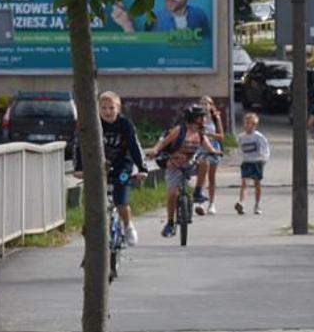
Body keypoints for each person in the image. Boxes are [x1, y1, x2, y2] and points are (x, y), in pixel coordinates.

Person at [72, 91, 148, 247]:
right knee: (92, 197)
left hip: (122, 164)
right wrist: (79, 168)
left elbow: (134, 146)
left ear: (118, 108)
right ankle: (90, 226)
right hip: (99, 164)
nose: (107, 112)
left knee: (120, 199)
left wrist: (142, 168)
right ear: (98, 109)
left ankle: (128, 225)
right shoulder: (93, 124)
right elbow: (79, 145)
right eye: (104, 108)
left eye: (111, 108)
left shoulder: (125, 124)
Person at [151, 105, 221, 240]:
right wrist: (155, 150)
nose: (204, 119)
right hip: (175, 165)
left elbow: (209, 148)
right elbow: (163, 142)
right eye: (202, 117)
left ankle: (198, 191)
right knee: (172, 193)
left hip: (190, 164)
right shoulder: (179, 130)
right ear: (195, 118)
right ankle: (170, 223)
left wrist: (215, 152)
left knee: (204, 162)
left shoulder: (201, 134)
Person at [193, 95, 225, 215]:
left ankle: (211, 203)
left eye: (206, 103)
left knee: (212, 176)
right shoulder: (196, 118)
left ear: (211, 106)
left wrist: (209, 134)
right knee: (201, 174)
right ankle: (200, 202)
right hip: (200, 148)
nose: (204, 106)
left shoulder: (215, 118)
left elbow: (221, 136)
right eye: (202, 103)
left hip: (213, 147)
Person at [234, 112, 269, 215]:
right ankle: (241, 203)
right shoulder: (241, 137)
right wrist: (240, 158)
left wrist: (264, 159)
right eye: (245, 123)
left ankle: (257, 204)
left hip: (257, 162)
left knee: (257, 183)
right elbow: (238, 148)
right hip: (246, 162)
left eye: (250, 123)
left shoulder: (259, 137)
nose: (247, 125)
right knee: (244, 183)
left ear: (254, 125)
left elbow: (265, 149)